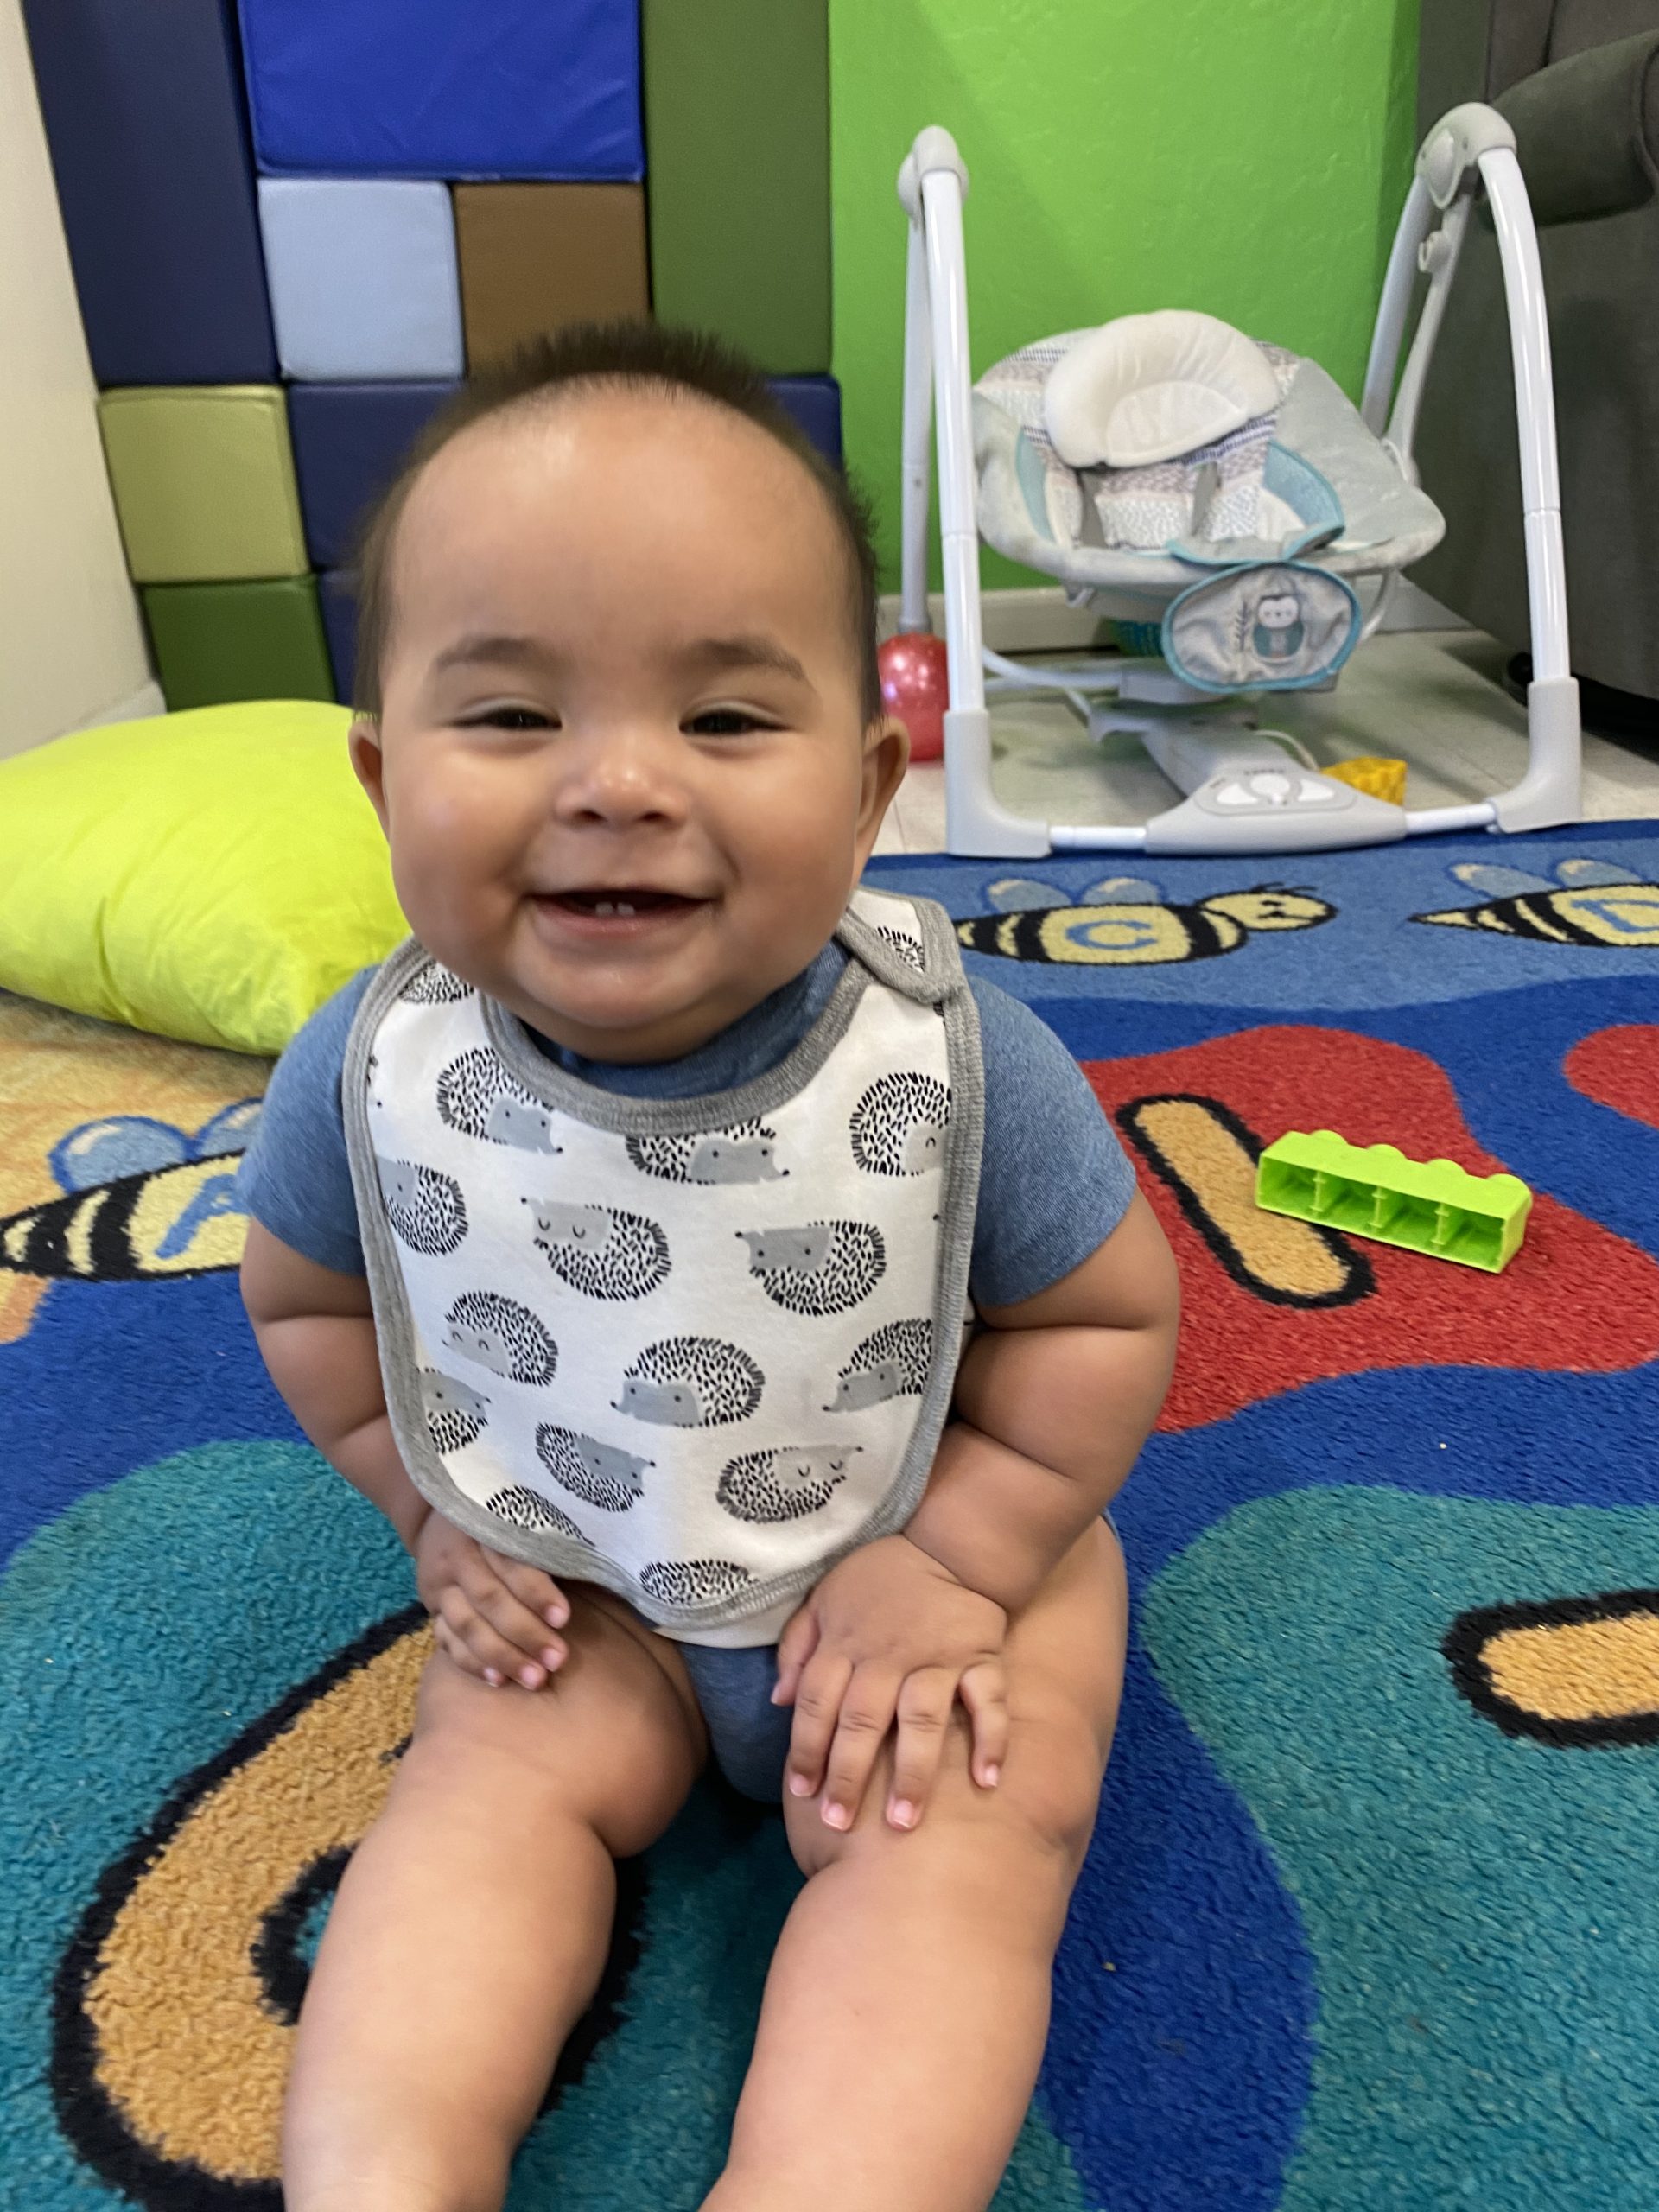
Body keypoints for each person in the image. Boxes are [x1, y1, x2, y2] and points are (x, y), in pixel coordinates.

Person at [238, 319, 1179, 2212]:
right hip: (591, 1579)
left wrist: (960, 1559)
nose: (618, 782)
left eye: (729, 720)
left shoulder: (954, 1063)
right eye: (513, 716)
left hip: (923, 1569)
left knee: (961, 1839)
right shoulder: (374, 1070)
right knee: (476, 1800)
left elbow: (1101, 1318)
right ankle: (383, 2170)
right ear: (381, 778)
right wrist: (431, 1513)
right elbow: (311, 1300)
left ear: (870, 784)